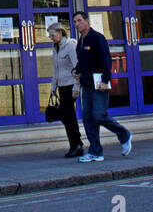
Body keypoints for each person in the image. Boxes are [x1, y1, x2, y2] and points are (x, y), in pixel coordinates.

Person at [73, 10, 132, 162]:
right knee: (87, 117)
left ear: (87, 21)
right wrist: (77, 70)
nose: (77, 24)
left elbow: (106, 60)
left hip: (99, 83)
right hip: (86, 84)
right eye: (75, 22)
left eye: (79, 20)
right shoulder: (81, 41)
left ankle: (123, 134)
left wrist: (106, 80)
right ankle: (95, 151)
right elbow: (83, 62)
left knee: (99, 115)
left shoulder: (97, 38)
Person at [46, 22, 84, 158]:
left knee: (68, 116)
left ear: (60, 33)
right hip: (62, 86)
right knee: (68, 117)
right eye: (50, 36)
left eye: (52, 35)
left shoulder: (70, 46)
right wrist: (53, 87)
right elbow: (56, 70)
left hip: (70, 85)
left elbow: (77, 67)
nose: (51, 38)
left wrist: (77, 86)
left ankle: (76, 145)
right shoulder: (55, 48)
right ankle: (77, 143)